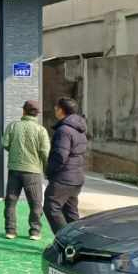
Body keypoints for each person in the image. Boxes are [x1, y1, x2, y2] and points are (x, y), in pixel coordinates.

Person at [1, 100, 50, 240]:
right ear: (37, 114)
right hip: (33, 171)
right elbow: (45, 152)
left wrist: (14, 150)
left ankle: (10, 231)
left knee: (11, 201)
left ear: (23, 111)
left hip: (14, 169)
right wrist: (47, 170)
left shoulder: (13, 126)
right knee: (35, 202)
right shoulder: (41, 130)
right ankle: (35, 231)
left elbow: (5, 143)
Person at [44, 96, 89, 232]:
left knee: (51, 207)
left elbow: (60, 156)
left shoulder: (64, 130)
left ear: (61, 110)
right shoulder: (79, 128)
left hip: (63, 178)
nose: (55, 109)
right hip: (76, 178)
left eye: (56, 107)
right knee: (70, 213)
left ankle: (64, 240)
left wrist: (49, 171)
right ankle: (79, 239)